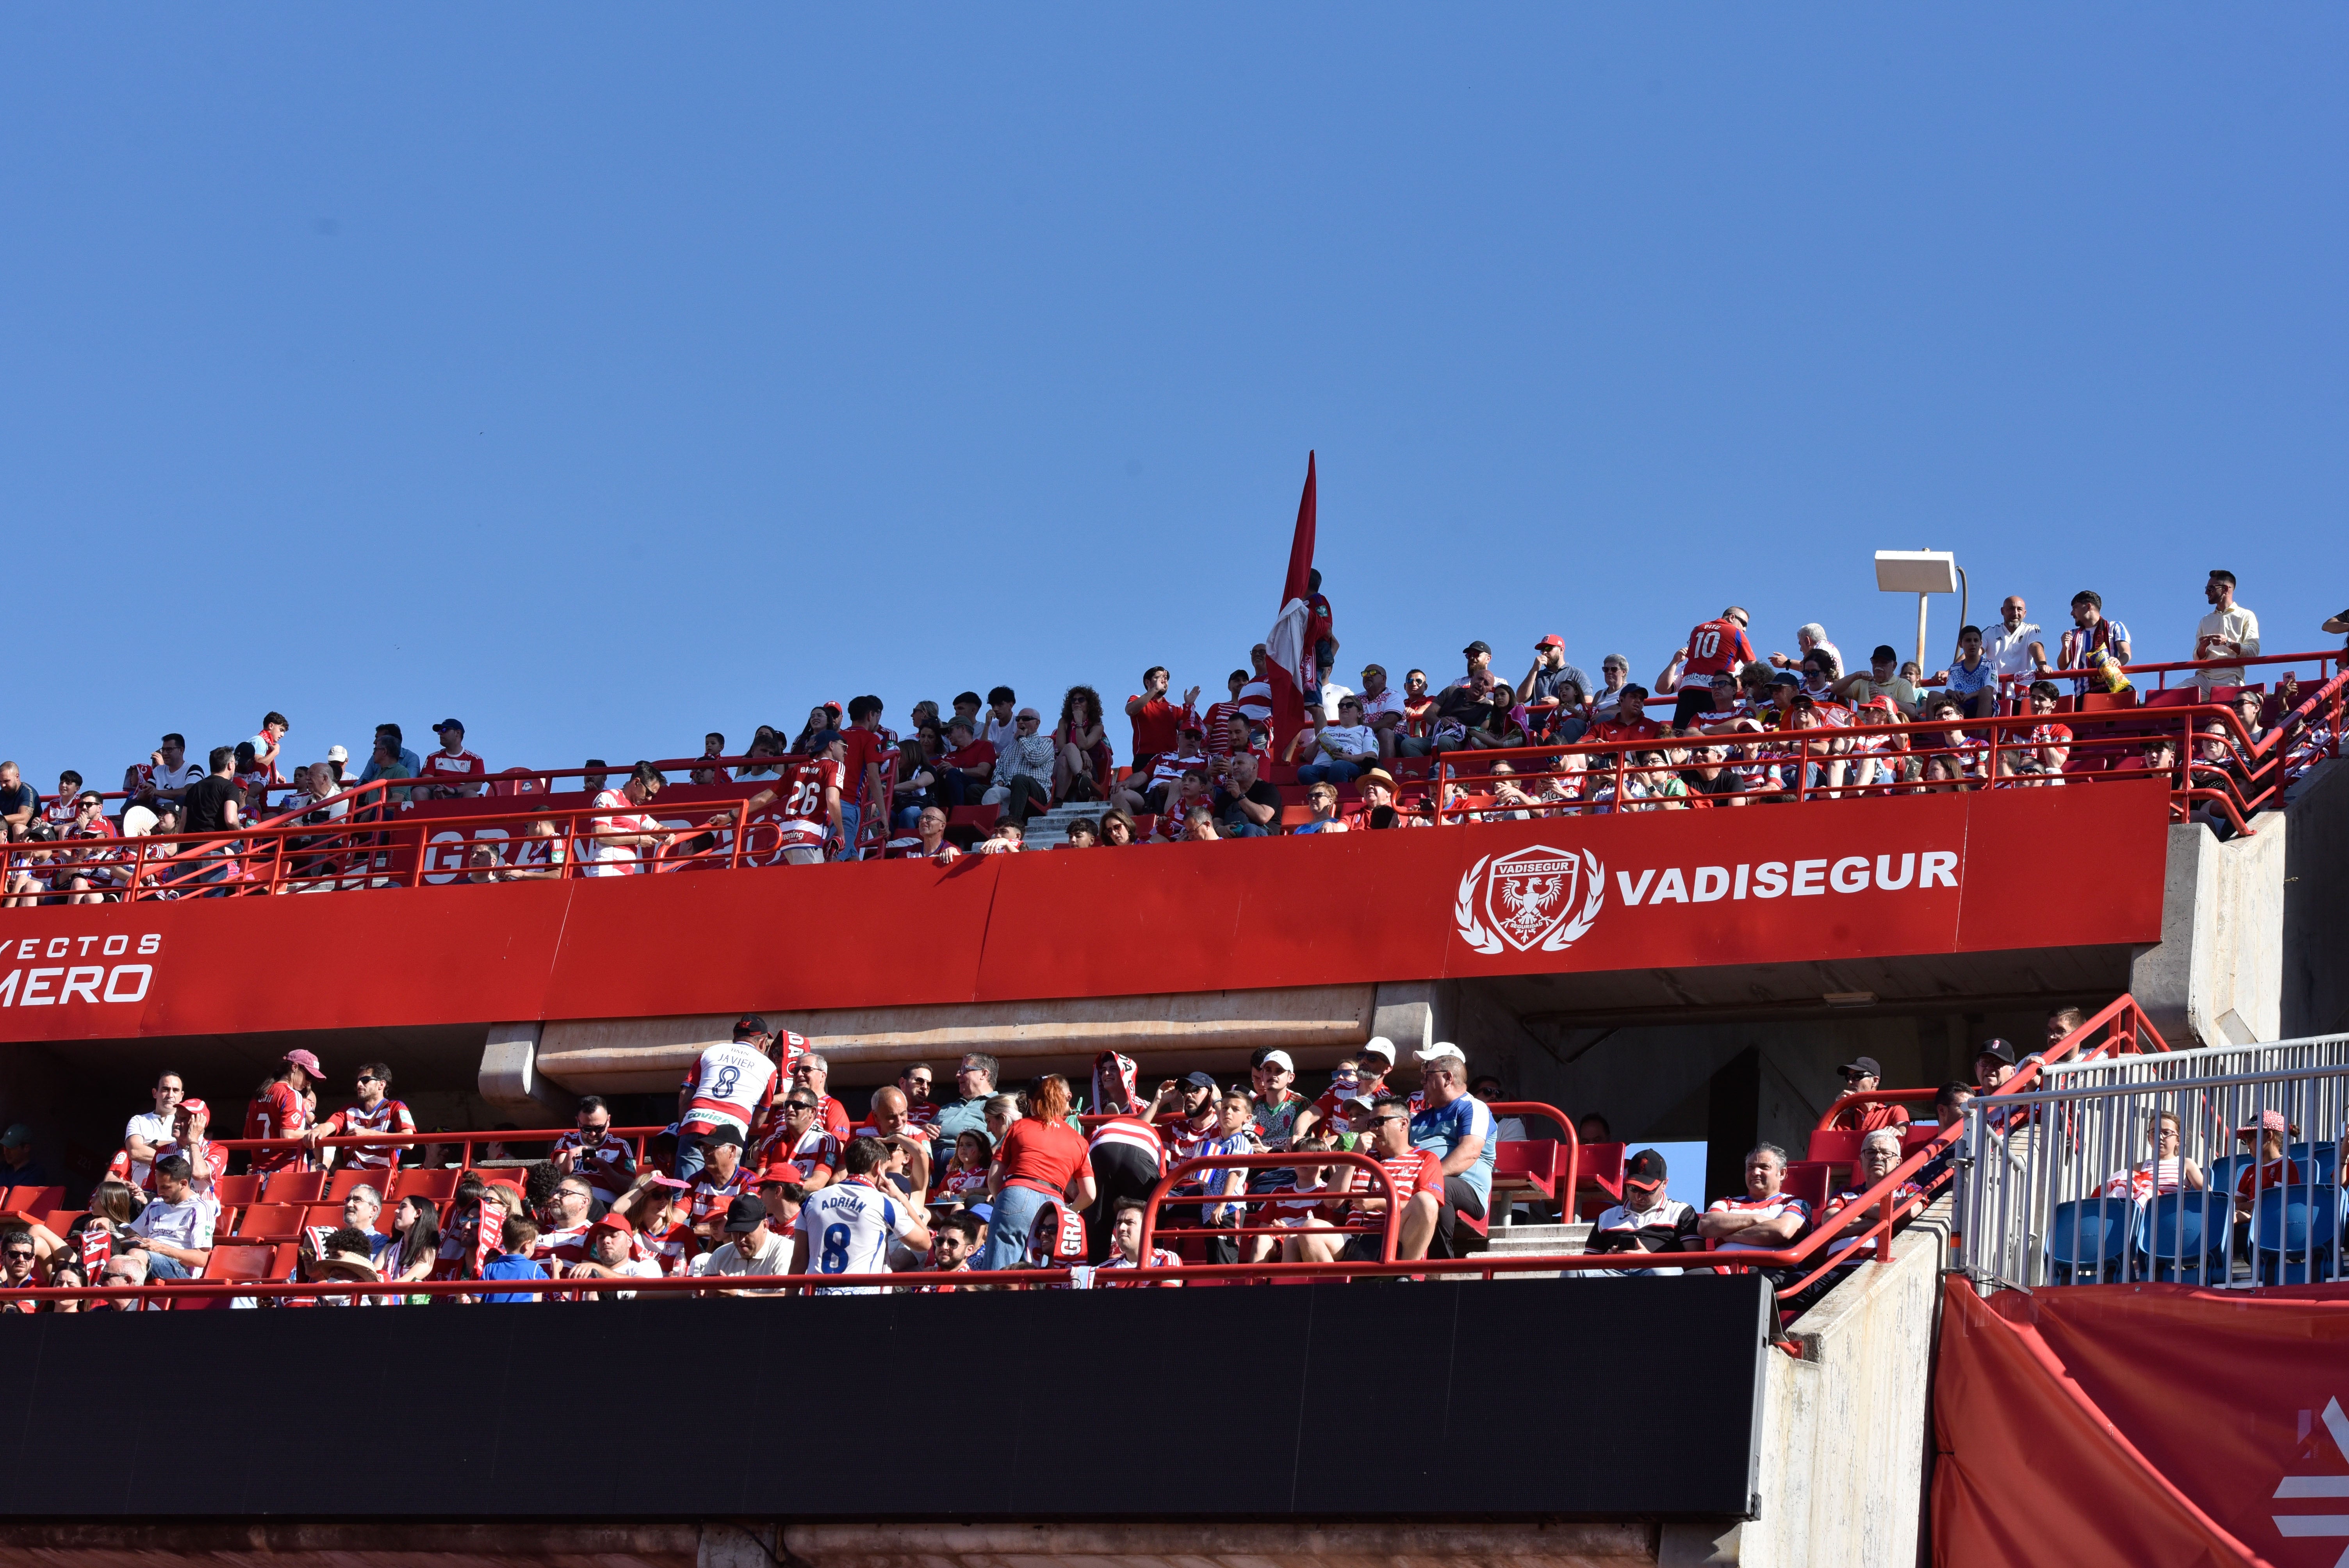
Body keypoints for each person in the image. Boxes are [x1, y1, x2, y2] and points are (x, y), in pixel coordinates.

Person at [1299, 1095, 1444, 1265]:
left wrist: (1379, 1203)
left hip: (1397, 1236)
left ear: (1403, 1124)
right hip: (1354, 1238)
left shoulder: (1425, 1159)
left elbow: (1426, 1208)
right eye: (1370, 1124)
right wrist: (1355, 1156)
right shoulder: (1363, 1157)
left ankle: (1404, 1276)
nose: (1372, 1129)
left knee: (1426, 1201)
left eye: (1379, 1122)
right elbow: (1332, 1202)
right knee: (1309, 1229)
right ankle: (1335, 1291)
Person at [980, 1075, 1094, 1271]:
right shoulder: (1078, 1140)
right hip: (1055, 1204)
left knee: (1000, 1273)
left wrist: (1006, 1199)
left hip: (1016, 1192)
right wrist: (1069, 1211)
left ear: (1033, 1103)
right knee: (1042, 1271)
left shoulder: (1019, 1126)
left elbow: (994, 1177)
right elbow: (1090, 1194)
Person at [792, 1137, 932, 1294]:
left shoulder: (813, 1199)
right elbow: (925, 1243)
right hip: (863, 1301)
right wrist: (901, 1198)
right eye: (885, 1170)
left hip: (817, 1297)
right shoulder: (883, 1202)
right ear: (878, 1166)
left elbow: (798, 1262)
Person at [1407, 1045, 1494, 1258]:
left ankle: (1442, 1263)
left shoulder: (1473, 1107)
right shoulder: (1418, 1118)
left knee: (1437, 1186)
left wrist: (1424, 1179)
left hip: (1467, 1188)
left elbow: (1470, 1152)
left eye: (1428, 1074)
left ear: (1448, 1077)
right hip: (1419, 1182)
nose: (1422, 1080)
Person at [674, 1015, 781, 1183]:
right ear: (762, 1042)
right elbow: (759, 1120)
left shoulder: (711, 1051)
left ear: (735, 1037)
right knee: (723, 1194)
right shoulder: (769, 1067)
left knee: (684, 1190)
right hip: (733, 1131)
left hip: (697, 1123)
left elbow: (684, 1095)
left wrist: (685, 1125)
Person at [1814, 1130, 1924, 1262]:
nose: (1878, 1157)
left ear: (1898, 1162)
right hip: (1836, 1269)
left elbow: (1909, 1212)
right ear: (1861, 1160)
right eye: (1871, 1152)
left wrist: (1856, 1208)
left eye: (1886, 1153)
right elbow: (1830, 1224)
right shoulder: (1844, 1193)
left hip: (1885, 1268)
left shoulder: (1910, 1190)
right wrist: (1886, 1224)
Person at [1584, 1150, 1700, 1276]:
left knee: (1660, 1273)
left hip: (1658, 1271)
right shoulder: (1606, 1217)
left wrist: (1651, 1260)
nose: (1638, 1197)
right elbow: (1587, 1263)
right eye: (1633, 1188)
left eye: (1647, 1191)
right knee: (1573, 1273)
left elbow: (1697, 1264)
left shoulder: (1681, 1212)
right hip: (1612, 1273)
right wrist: (1605, 1260)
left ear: (1665, 1184)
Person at [123, 1145, 220, 1281]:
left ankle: (130, 1302)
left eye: (166, 1187)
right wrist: (109, 1228)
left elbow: (201, 1259)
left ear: (183, 1184)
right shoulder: (156, 1204)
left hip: (181, 1269)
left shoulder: (200, 1209)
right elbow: (131, 1234)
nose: (160, 1192)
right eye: (158, 1186)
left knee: (135, 1256)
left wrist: (161, 1248)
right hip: (149, 1256)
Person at [1699, 1144, 1810, 1260]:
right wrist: (1756, 1220)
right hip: (1721, 1269)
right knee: (1691, 1277)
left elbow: (1782, 1231)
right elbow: (1705, 1225)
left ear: (1782, 1174)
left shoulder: (1796, 1203)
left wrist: (1728, 1236)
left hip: (1769, 1270)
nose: (1756, 1172)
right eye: (1751, 1167)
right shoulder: (1726, 1202)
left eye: (1764, 1167)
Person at [307, 1062, 416, 1173]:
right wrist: (318, 1130)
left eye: (365, 1080)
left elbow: (409, 1142)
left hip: (381, 1181)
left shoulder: (396, 1107)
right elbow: (328, 1126)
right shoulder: (349, 1110)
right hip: (349, 1181)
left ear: (382, 1085)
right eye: (358, 1081)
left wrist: (368, 1135)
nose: (359, 1084)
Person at [582, 762, 672, 875]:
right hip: (605, 873)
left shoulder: (637, 811)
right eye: (648, 793)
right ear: (637, 782)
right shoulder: (608, 797)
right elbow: (599, 833)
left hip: (624, 876)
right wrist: (638, 839)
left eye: (653, 796)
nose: (649, 799)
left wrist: (668, 833)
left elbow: (660, 830)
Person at [2099, 1110, 2207, 1201]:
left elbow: (2208, 1193)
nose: (2160, 1137)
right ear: (2149, 1138)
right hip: (2146, 1220)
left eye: (2166, 1133)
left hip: (2174, 1218)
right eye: (2154, 1132)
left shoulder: (2185, 1164)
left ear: (2178, 1140)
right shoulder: (2140, 1167)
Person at [246, 1049, 322, 1174]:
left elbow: (246, 1139)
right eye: (309, 1076)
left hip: (259, 1173)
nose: (309, 1082)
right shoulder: (292, 1094)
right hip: (287, 1171)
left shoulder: (258, 1096)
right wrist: (317, 1132)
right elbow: (288, 1135)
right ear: (295, 1067)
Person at [551, 1096, 637, 1205]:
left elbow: (629, 1188)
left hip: (605, 1205)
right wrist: (570, 1156)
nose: (593, 1134)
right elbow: (555, 1179)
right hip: (570, 1202)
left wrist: (605, 1169)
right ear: (578, 1122)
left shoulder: (620, 1146)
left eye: (599, 1128)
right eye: (587, 1129)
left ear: (608, 1121)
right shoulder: (567, 1141)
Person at [700, 1194, 791, 1294]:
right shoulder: (720, 1255)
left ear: (765, 1225)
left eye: (746, 1231)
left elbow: (788, 1300)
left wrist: (738, 1295)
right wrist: (702, 1296)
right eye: (735, 1232)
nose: (741, 1239)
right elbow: (701, 1294)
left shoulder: (785, 1249)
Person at [563, 1212, 661, 1298]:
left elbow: (643, 1288)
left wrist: (598, 1270)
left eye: (614, 1235)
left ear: (629, 1241)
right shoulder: (587, 1277)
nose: (606, 1241)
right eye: (601, 1237)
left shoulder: (647, 1266)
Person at [2194, 569, 2259, 696]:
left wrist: (2228, 642)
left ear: (2225, 589)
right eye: (2207, 588)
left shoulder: (2246, 616)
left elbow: (2254, 651)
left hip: (2230, 677)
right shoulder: (2205, 620)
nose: (2206, 592)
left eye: (2211, 588)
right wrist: (2202, 647)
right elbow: (2197, 658)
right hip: (2203, 678)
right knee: (2164, 698)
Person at [1125, 667, 1200, 777]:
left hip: (1171, 758)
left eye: (1166, 679)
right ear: (1148, 682)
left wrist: (1188, 705)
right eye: (1159, 678)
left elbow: (1186, 729)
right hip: (1144, 757)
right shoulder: (1137, 698)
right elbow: (1130, 710)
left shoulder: (1175, 708)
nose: (1164, 681)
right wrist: (1154, 690)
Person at [987, 708, 1055, 826]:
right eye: (1018, 719)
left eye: (1026, 719)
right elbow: (998, 773)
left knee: (1019, 779)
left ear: (1037, 723)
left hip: (1037, 790)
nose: (1021, 722)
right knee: (974, 790)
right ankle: (988, 828)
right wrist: (1000, 782)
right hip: (1010, 788)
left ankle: (1013, 825)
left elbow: (1036, 759)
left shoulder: (1046, 743)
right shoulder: (1009, 748)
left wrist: (1022, 739)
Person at [121, 1070, 187, 1190]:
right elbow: (135, 1152)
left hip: (174, 1194)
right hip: (140, 1193)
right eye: (165, 1089)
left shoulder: (187, 1123)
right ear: (155, 1093)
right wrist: (173, 1152)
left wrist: (153, 1145)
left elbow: (189, 1159)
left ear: (182, 1096)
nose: (170, 1095)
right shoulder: (138, 1120)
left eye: (176, 1090)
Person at [1296, 696, 1379, 786]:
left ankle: (1334, 796)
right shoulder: (1326, 730)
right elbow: (1308, 757)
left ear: (1360, 714)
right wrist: (1317, 742)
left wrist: (1349, 758)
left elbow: (1373, 755)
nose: (1344, 707)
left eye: (1349, 705)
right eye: (1341, 706)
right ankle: (1324, 795)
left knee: (1338, 766)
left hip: (1349, 765)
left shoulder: (1365, 730)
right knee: (1304, 771)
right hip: (1321, 767)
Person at [2057, 590, 2132, 689]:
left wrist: (2118, 661)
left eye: (2075, 608)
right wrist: (2065, 648)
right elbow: (2062, 667)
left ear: (2088, 607)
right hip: (2084, 691)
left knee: (2129, 692)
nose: (2072, 613)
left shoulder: (2115, 627)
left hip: (2114, 687)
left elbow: (2126, 654)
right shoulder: (2073, 634)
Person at [1097, 1198, 1183, 1284]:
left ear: (1147, 1227)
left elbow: (1168, 1297)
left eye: (1130, 1222)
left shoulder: (1167, 1260)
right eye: (1119, 1223)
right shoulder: (1104, 1269)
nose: (1121, 1228)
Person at [476, 1213, 549, 1303]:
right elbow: (552, 1292)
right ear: (527, 1245)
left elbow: (476, 1299)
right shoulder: (534, 1268)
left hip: (493, 1316)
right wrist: (556, 1270)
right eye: (535, 1245)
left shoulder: (490, 1268)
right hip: (523, 1316)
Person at [1930, 625, 1999, 720]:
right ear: (1960, 644)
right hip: (1958, 705)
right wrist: (1954, 694)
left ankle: (1981, 734)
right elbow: (1948, 690)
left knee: (1986, 692)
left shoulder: (1990, 665)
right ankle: (1932, 733)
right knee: (1933, 695)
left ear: (1981, 644)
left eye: (1976, 641)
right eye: (1968, 641)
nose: (1973, 644)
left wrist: (1969, 696)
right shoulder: (1954, 668)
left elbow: (1991, 688)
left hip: (1980, 703)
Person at [1828, 1057, 1910, 1133]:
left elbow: (1903, 1137)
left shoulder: (1895, 1112)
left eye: (1857, 1076)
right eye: (1848, 1078)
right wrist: (1836, 1110)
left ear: (1875, 1081)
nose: (1850, 1082)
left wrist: (1898, 1133)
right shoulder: (1842, 1118)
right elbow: (1820, 1143)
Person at [933, 1053, 998, 1145]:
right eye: (959, 1071)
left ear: (984, 1074)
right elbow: (918, 1134)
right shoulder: (946, 1108)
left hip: (972, 1157)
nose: (958, 1075)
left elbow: (1007, 1139)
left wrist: (990, 1158)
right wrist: (923, 1131)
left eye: (964, 1069)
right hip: (932, 1157)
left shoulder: (1001, 1105)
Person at [1213, 751, 1281, 838]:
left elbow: (1263, 817)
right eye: (1233, 764)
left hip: (1265, 840)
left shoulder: (1268, 789)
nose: (1235, 767)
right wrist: (1219, 828)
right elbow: (1217, 819)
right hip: (1232, 839)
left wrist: (1239, 796)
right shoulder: (1227, 794)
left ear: (1254, 767)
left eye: (1240, 763)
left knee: (1249, 829)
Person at [415, 720, 487, 800]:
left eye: (444, 730)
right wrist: (437, 789)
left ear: (458, 733)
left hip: (460, 796)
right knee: (419, 791)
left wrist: (453, 791)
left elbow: (477, 785)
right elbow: (426, 780)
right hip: (437, 795)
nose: (440, 733)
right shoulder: (433, 757)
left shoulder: (475, 759)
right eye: (439, 731)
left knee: (471, 794)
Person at [885, 804, 961, 864]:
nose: (923, 821)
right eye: (921, 818)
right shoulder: (909, 851)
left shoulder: (950, 849)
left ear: (942, 826)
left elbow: (957, 855)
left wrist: (955, 854)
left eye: (929, 818)